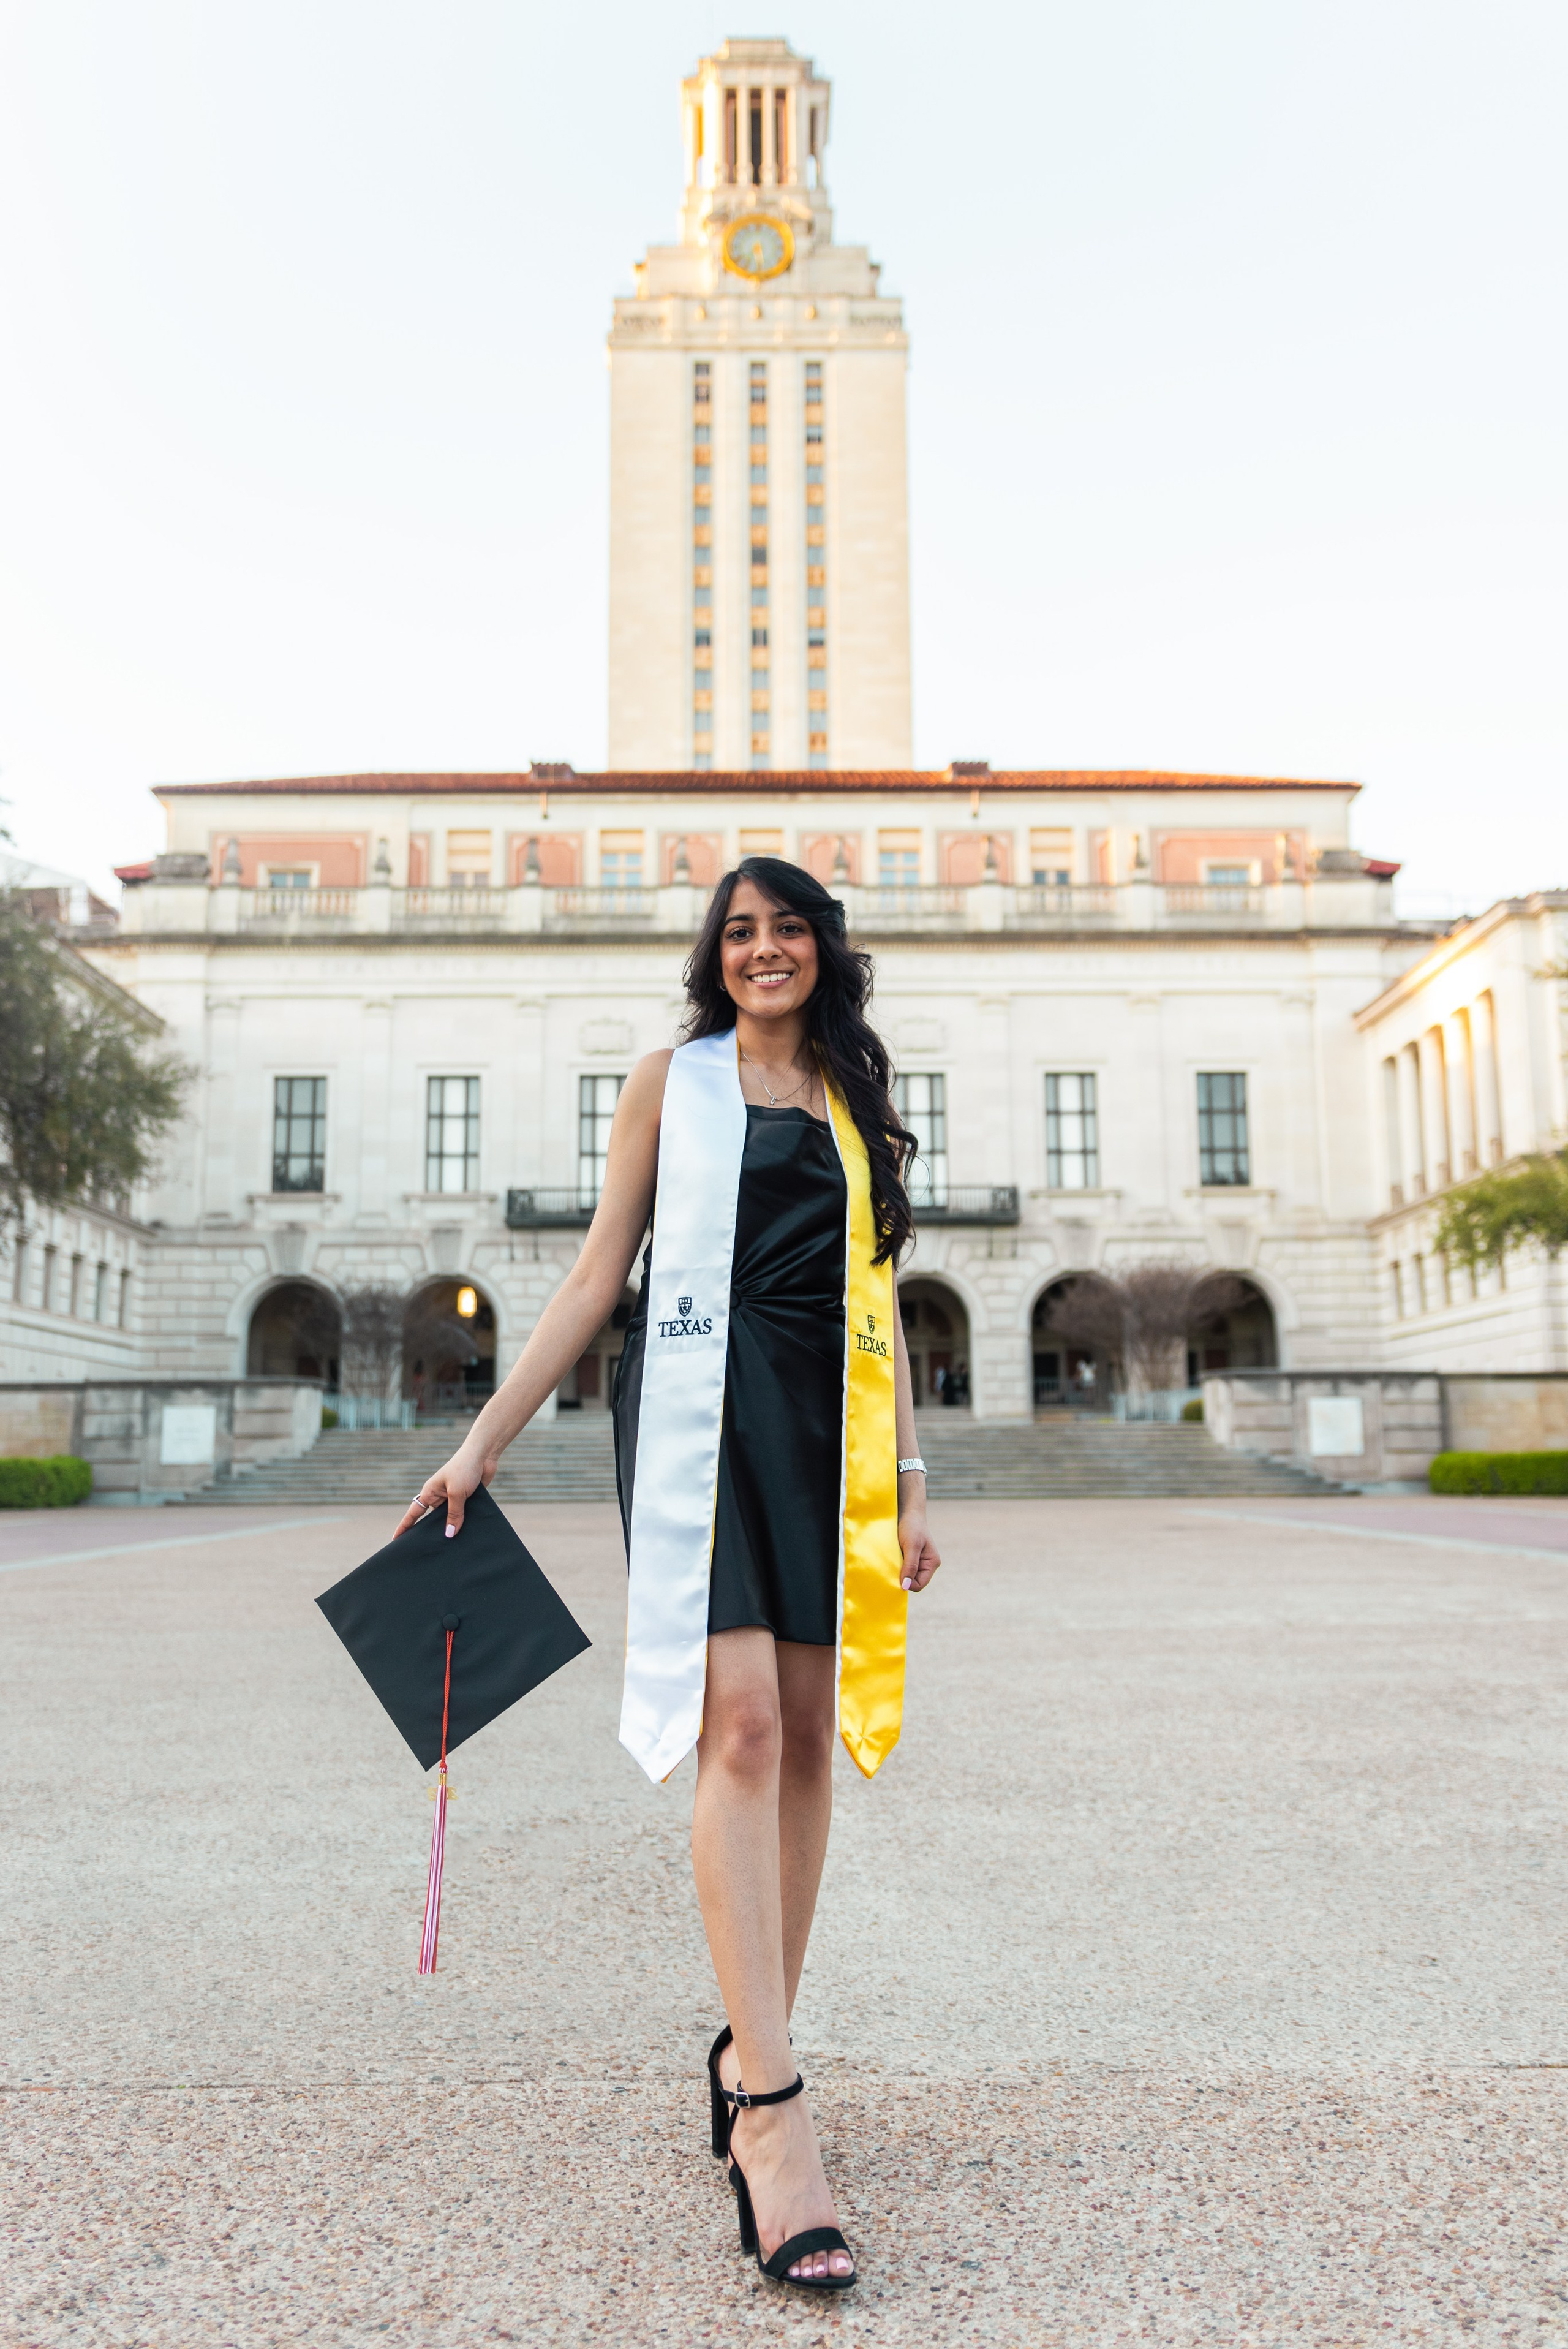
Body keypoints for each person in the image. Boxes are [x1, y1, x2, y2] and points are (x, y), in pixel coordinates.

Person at [394, 857, 941, 2293]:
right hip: (700, 1407)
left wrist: (915, 1487)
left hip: (829, 1426)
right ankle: (772, 2113)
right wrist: (482, 1447)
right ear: (717, 958)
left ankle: (745, 2039)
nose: (764, 950)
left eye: (788, 929)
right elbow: (594, 1275)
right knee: (742, 1726)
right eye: (739, 933)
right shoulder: (668, 1079)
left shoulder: (854, 1099)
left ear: (824, 947)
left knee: (811, 1736)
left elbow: (880, 1303)